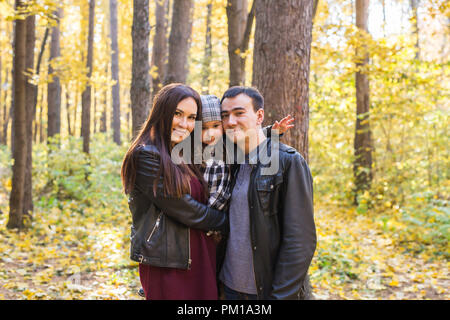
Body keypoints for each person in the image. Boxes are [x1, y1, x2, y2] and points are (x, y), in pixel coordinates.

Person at [121, 83, 228, 300]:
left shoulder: (181, 152)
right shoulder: (147, 155)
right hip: (169, 263)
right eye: (178, 114)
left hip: (199, 255)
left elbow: (227, 142)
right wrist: (228, 222)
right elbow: (187, 209)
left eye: (191, 118)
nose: (184, 124)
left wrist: (267, 134)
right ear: (163, 111)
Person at [218, 86, 317, 300]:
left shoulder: (288, 162)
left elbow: (300, 242)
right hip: (229, 288)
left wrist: (280, 297)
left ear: (259, 115)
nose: (230, 122)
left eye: (239, 113)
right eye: (225, 115)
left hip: (265, 292)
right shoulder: (231, 162)